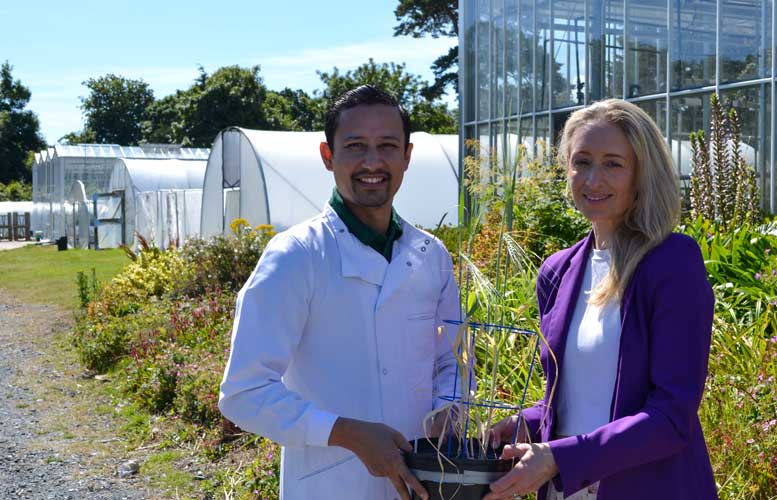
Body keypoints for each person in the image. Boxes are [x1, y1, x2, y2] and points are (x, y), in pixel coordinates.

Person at [219, 85, 461, 500]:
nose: (373, 162)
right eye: (355, 146)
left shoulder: (430, 255)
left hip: (423, 482)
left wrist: (446, 414)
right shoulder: (297, 256)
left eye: (387, 146)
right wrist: (346, 433)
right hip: (331, 485)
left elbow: (454, 360)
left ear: (407, 156)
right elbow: (244, 391)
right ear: (328, 157)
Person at [483, 99, 718, 500]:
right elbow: (575, 402)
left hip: (649, 489)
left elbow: (671, 416)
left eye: (613, 164)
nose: (593, 180)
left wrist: (560, 458)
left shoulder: (671, 263)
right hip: (566, 490)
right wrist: (526, 423)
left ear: (642, 173)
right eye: (582, 162)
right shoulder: (557, 271)